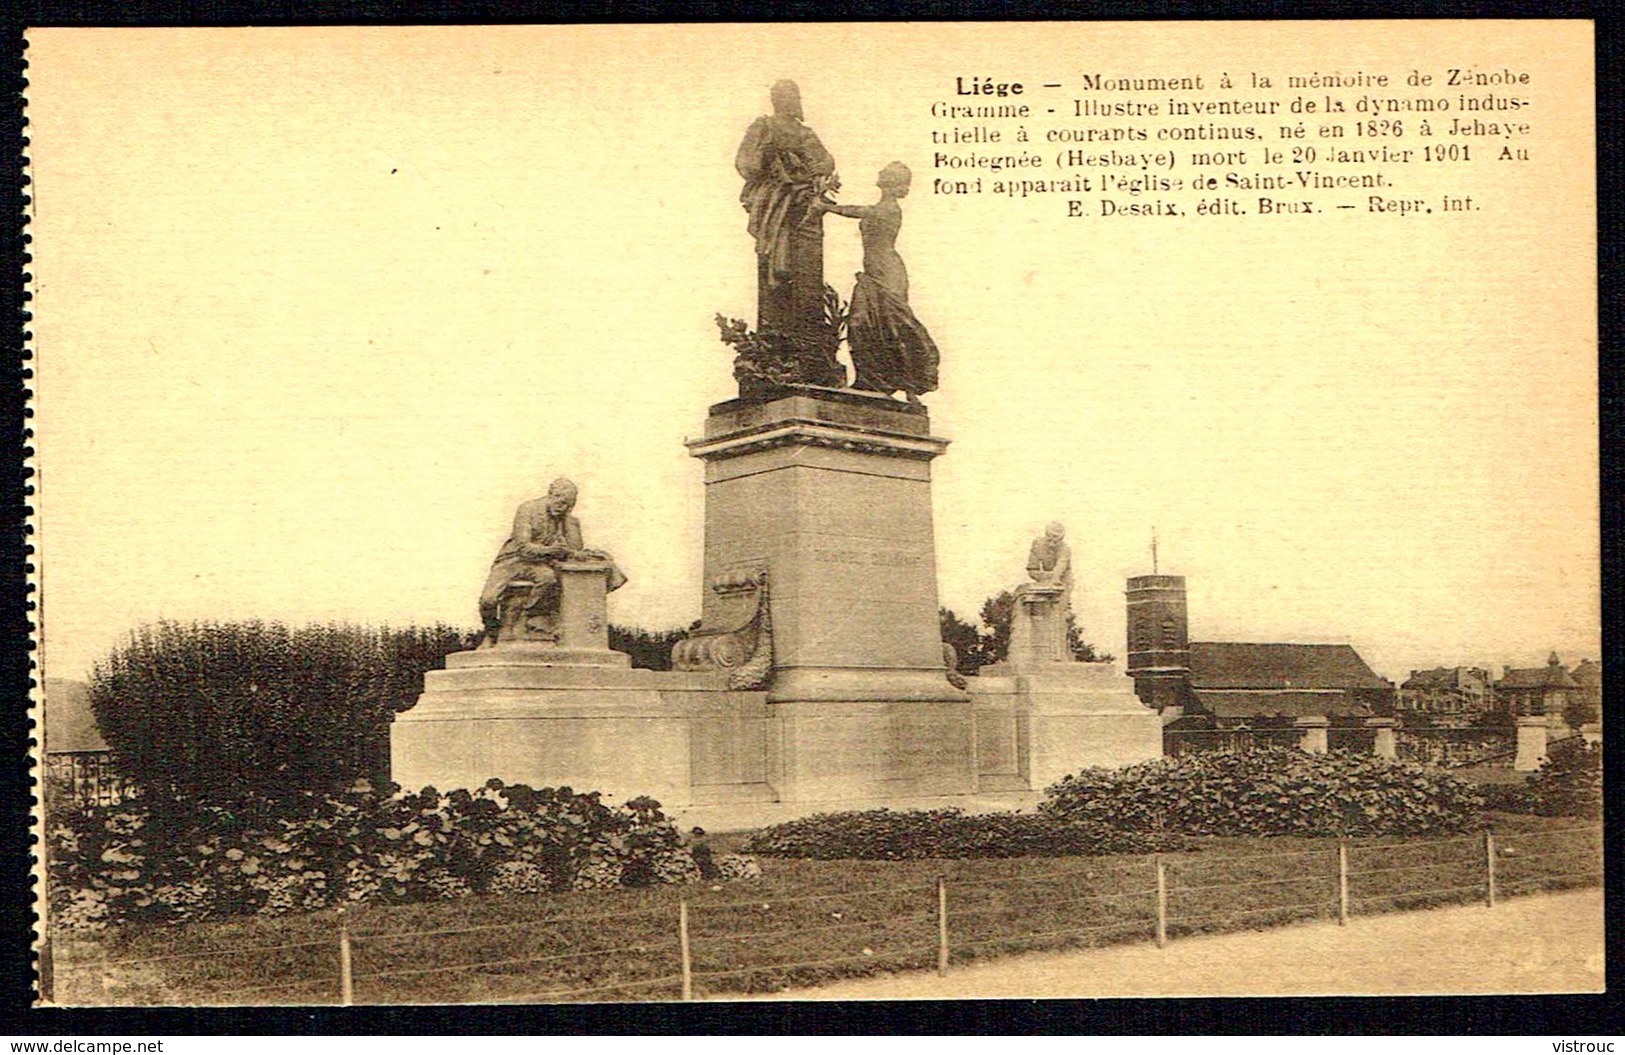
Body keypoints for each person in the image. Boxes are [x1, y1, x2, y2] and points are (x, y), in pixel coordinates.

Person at [816, 162, 939, 404]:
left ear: (892, 183)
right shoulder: (881, 207)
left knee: (893, 324)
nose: (880, 175)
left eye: (887, 175)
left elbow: (862, 212)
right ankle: (872, 380)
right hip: (874, 272)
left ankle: (909, 384)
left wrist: (825, 207)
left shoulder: (890, 209)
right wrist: (827, 206)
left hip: (887, 273)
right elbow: (861, 210)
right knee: (862, 323)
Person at [477, 478, 626, 645]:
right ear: (551, 495)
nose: (563, 508)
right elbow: (523, 547)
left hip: (539, 564)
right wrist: (551, 550)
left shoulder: (566, 519)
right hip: (512, 561)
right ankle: (491, 631)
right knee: (488, 600)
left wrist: (569, 525)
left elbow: (573, 550)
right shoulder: (528, 509)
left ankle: (527, 619)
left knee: (548, 580)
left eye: (569, 505)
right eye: (561, 502)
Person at [735, 80, 837, 289]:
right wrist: (765, 152)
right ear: (775, 100)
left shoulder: (804, 132)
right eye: (782, 96)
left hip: (803, 198)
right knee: (779, 251)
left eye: (792, 96)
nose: (788, 101)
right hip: (775, 195)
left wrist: (816, 173)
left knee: (807, 262)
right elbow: (745, 164)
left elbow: (825, 161)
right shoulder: (763, 127)